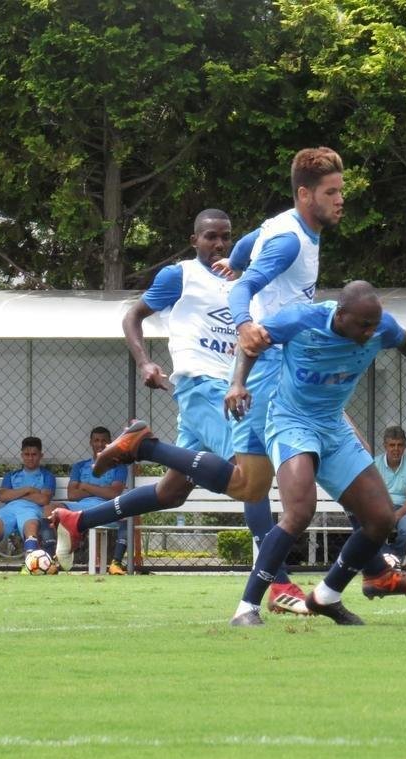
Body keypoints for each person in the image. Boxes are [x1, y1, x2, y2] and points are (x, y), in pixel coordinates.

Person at [49, 209, 307, 607]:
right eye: (210, 237)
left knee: (171, 493)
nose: (219, 244)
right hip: (202, 386)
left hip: (225, 390)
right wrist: (144, 362)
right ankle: (279, 584)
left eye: (225, 237)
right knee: (250, 476)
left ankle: (78, 519)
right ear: (194, 240)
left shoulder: (241, 282)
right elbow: (133, 316)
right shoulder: (180, 276)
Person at [224, 280, 406, 625]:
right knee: (299, 512)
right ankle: (246, 608)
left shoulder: (381, 327)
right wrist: (237, 383)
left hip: (334, 427)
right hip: (291, 422)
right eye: (364, 325)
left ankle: (327, 596)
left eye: (375, 325)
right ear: (340, 315)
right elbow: (250, 342)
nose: (371, 332)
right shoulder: (301, 319)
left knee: (381, 518)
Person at [46, 426, 129, 575]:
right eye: (96, 440)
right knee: (50, 509)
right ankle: (53, 561)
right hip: (80, 507)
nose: (100, 444)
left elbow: (113, 493)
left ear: (110, 443)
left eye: (104, 441)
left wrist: (85, 486)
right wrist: (101, 489)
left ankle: (116, 564)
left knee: (130, 515)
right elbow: (72, 494)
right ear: (91, 442)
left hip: (107, 508)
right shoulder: (79, 466)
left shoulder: (119, 467)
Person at [0, 437, 55, 575]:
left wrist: (15, 494)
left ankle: (29, 566)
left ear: (41, 455)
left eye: (34, 454)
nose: (30, 458)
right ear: (22, 455)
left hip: (32, 509)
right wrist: (28, 489)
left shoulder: (47, 476)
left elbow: (43, 499)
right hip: (10, 509)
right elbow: (2, 496)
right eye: (27, 454)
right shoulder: (11, 475)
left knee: (31, 526)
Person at [371, 426, 406, 565]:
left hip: (404, 509)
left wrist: (396, 515)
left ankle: (392, 555)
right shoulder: (374, 464)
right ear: (385, 446)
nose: (396, 449)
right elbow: (370, 495)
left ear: (405, 446)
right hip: (380, 508)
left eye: (400, 445)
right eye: (392, 445)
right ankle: (393, 558)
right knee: (369, 528)